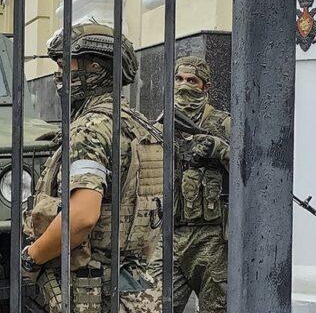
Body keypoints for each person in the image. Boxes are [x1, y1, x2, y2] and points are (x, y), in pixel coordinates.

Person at [22, 22, 164, 312]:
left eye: (67, 64)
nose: (59, 73)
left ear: (96, 69)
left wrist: (31, 258)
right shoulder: (141, 126)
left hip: (91, 288)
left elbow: (82, 217)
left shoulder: (90, 129)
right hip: (136, 287)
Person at [146, 56, 231, 313]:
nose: (184, 86)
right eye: (179, 79)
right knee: (150, 305)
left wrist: (219, 149)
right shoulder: (160, 124)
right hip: (167, 233)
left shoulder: (222, 123)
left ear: (205, 86)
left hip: (210, 238)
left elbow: (252, 170)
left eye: (192, 80)